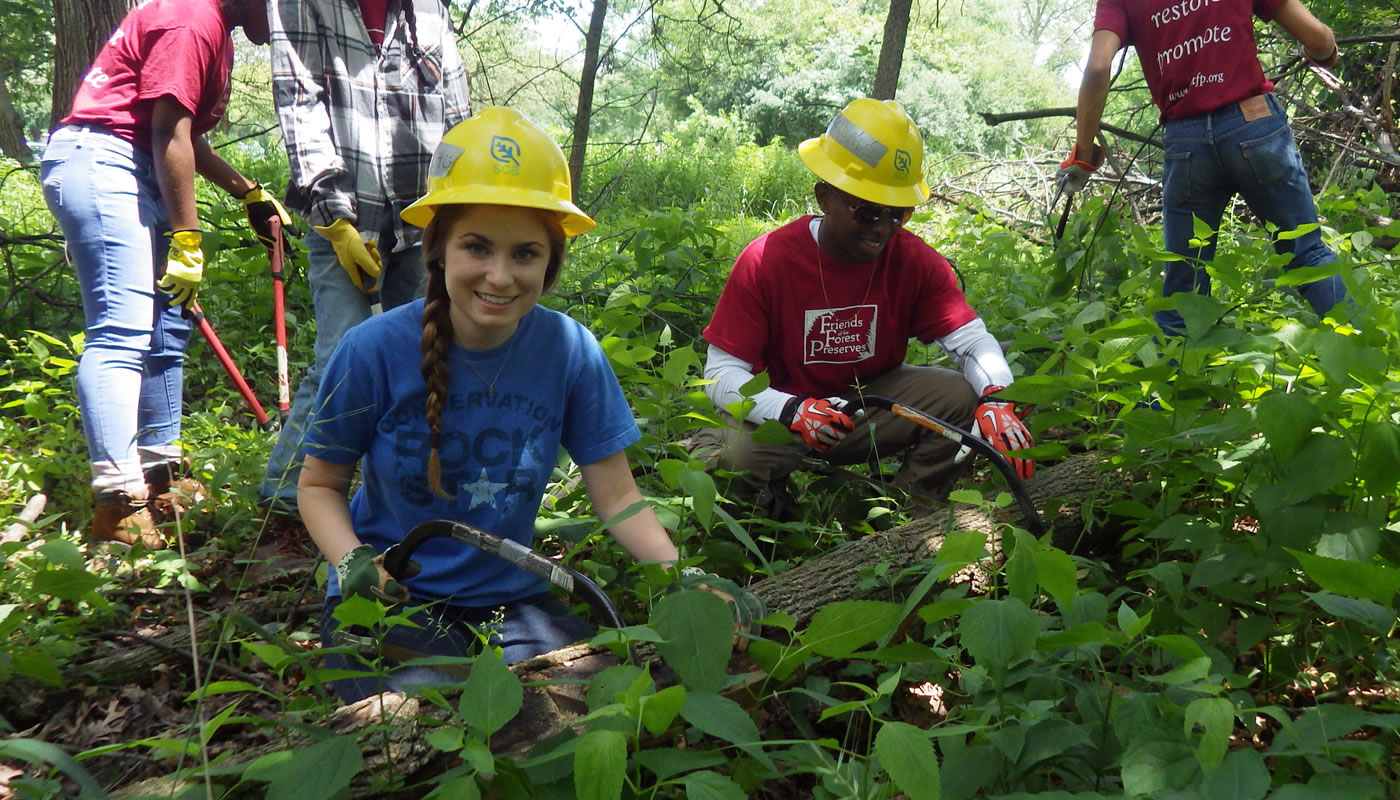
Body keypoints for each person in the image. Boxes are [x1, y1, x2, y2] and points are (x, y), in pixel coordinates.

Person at [298, 107, 760, 702]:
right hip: (394, 595)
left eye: (525, 254)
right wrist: (352, 562)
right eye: (477, 247)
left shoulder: (568, 350)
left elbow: (617, 495)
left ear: (551, 261)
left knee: (592, 703)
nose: (499, 275)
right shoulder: (374, 349)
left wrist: (681, 575)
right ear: (437, 248)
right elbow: (319, 485)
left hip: (510, 596)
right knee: (433, 715)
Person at [690, 98, 1035, 521]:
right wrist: (791, 410)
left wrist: (998, 398)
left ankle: (905, 523)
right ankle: (766, 529)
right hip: (781, 412)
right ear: (824, 197)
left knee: (962, 398)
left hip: (869, 403)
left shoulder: (914, 261)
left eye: (898, 215)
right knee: (729, 456)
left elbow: (970, 341)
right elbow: (720, 373)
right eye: (867, 211)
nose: (882, 229)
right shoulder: (768, 260)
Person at [41, 0, 286, 549]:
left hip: (134, 167)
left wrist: (247, 191)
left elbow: (184, 136)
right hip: (104, 164)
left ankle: (159, 475)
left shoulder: (211, 25)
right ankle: (118, 503)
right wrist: (187, 238)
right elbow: (167, 133)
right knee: (123, 330)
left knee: (167, 325)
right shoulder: (191, 18)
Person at [259, 0, 473, 520]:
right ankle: (287, 499)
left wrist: (461, 206)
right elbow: (300, 100)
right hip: (344, 217)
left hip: (422, 220)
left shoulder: (427, 9)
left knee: (431, 348)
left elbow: (456, 114)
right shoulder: (301, 5)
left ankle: (417, 490)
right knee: (342, 355)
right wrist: (334, 216)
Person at [1059, 0, 1347, 337]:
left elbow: (1096, 68)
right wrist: (1324, 50)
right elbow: (1317, 37)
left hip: (1186, 143)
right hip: (1255, 124)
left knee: (1186, 284)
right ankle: (1366, 359)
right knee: (1307, 254)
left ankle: (1180, 383)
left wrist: (1083, 151)